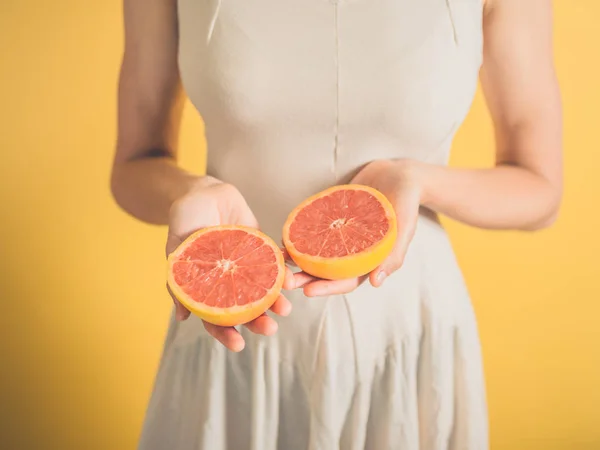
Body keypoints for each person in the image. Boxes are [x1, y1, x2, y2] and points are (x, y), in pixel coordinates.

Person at [111, 0, 562, 448]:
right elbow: (133, 165)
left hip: (407, 340)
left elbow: (541, 190)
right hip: (231, 339)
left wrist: (418, 181)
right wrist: (188, 193)